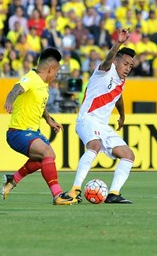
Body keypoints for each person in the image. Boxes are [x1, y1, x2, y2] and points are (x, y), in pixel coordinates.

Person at [0, 47, 77, 205]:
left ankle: (12, 180)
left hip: (32, 131)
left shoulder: (43, 84)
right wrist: (9, 101)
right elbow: (16, 89)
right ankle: (57, 196)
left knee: (48, 157)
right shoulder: (31, 78)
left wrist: (49, 119)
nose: (56, 76)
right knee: (47, 152)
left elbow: (40, 105)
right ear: (51, 69)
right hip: (18, 132)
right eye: (56, 72)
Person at [67, 28, 136, 204]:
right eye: (125, 64)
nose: (127, 68)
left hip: (102, 126)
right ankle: (75, 190)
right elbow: (107, 59)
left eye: (130, 66)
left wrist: (122, 115)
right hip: (87, 118)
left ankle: (113, 193)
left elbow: (118, 96)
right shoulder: (105, 70)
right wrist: (119, 42)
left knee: (128, 154)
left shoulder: (121, 82)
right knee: (95, 145)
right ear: (117, 62)